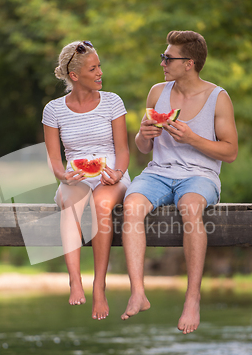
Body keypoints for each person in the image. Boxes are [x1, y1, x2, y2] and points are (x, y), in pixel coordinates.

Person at [122, 30, 238, 334]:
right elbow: (143, 148)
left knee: (189, 207)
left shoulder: (218, 97)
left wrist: (192, 138)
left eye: (168, 57)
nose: (162, 62)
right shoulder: (156, 92)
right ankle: (138, 291)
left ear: (189, 63)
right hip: (158, 172)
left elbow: (231, 152)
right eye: (163, 56)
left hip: (200, 175)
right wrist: (142, 136)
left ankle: (192, 297)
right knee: (131, 205)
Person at [42, 40, 130, 320]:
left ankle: (99, 285)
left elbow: (123, 150)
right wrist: (62, 176)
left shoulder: (113, 102)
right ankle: (75, 280)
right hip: (74, 176)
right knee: (71, 202)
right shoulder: (53, 110)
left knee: (102, 206)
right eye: (94, 68)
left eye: (100, 66)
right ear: (75, 76)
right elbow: (55, 159)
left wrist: (117, 173)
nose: (100, 72)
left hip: (111, 174)